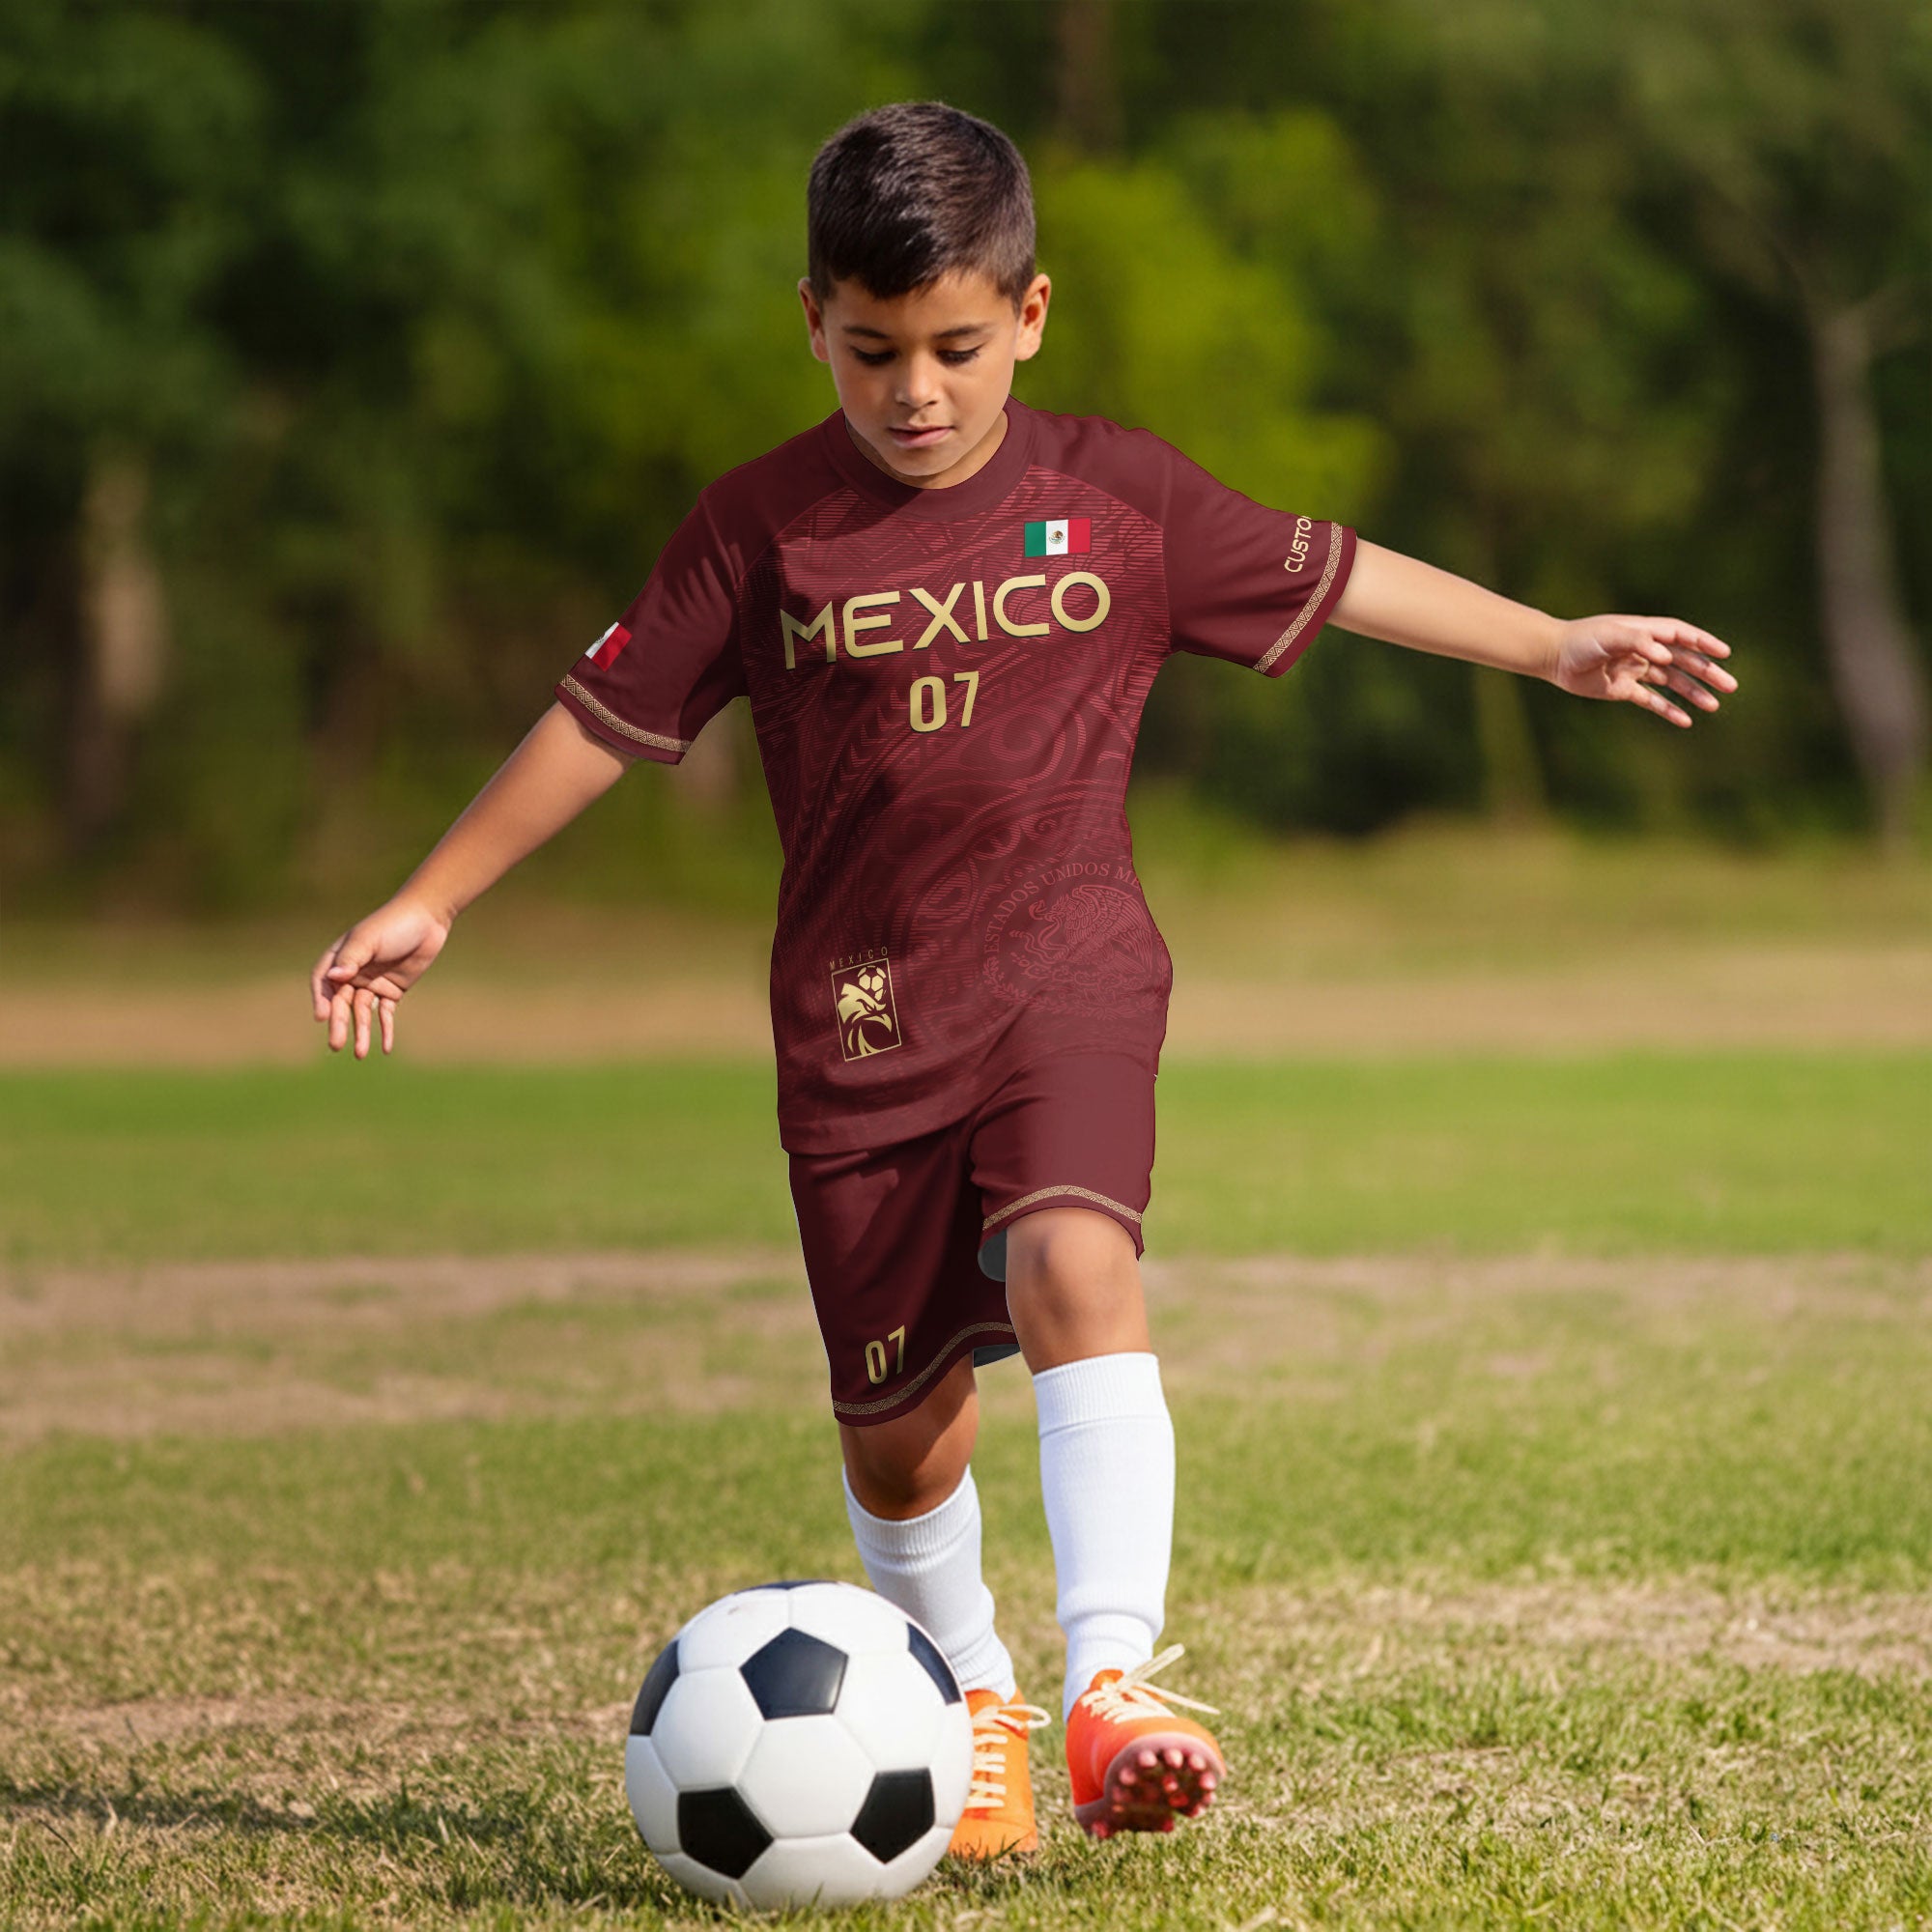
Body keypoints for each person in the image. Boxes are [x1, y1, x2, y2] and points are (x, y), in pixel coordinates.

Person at [310, 101, 1736, 1858]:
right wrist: (431, 896)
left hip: (1071, 972)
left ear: (1031, 317)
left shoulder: (1116, 497)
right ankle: (972, 1690)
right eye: (874, 351)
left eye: (958, 349)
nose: (918, 390)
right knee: (905, 1441)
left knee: (1079, 1257)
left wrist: (1554, 643)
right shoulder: (758, 529)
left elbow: (1339, 570)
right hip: (859, 1025)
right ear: (814, 325)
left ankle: (1110, 1686)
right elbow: (604, 722)